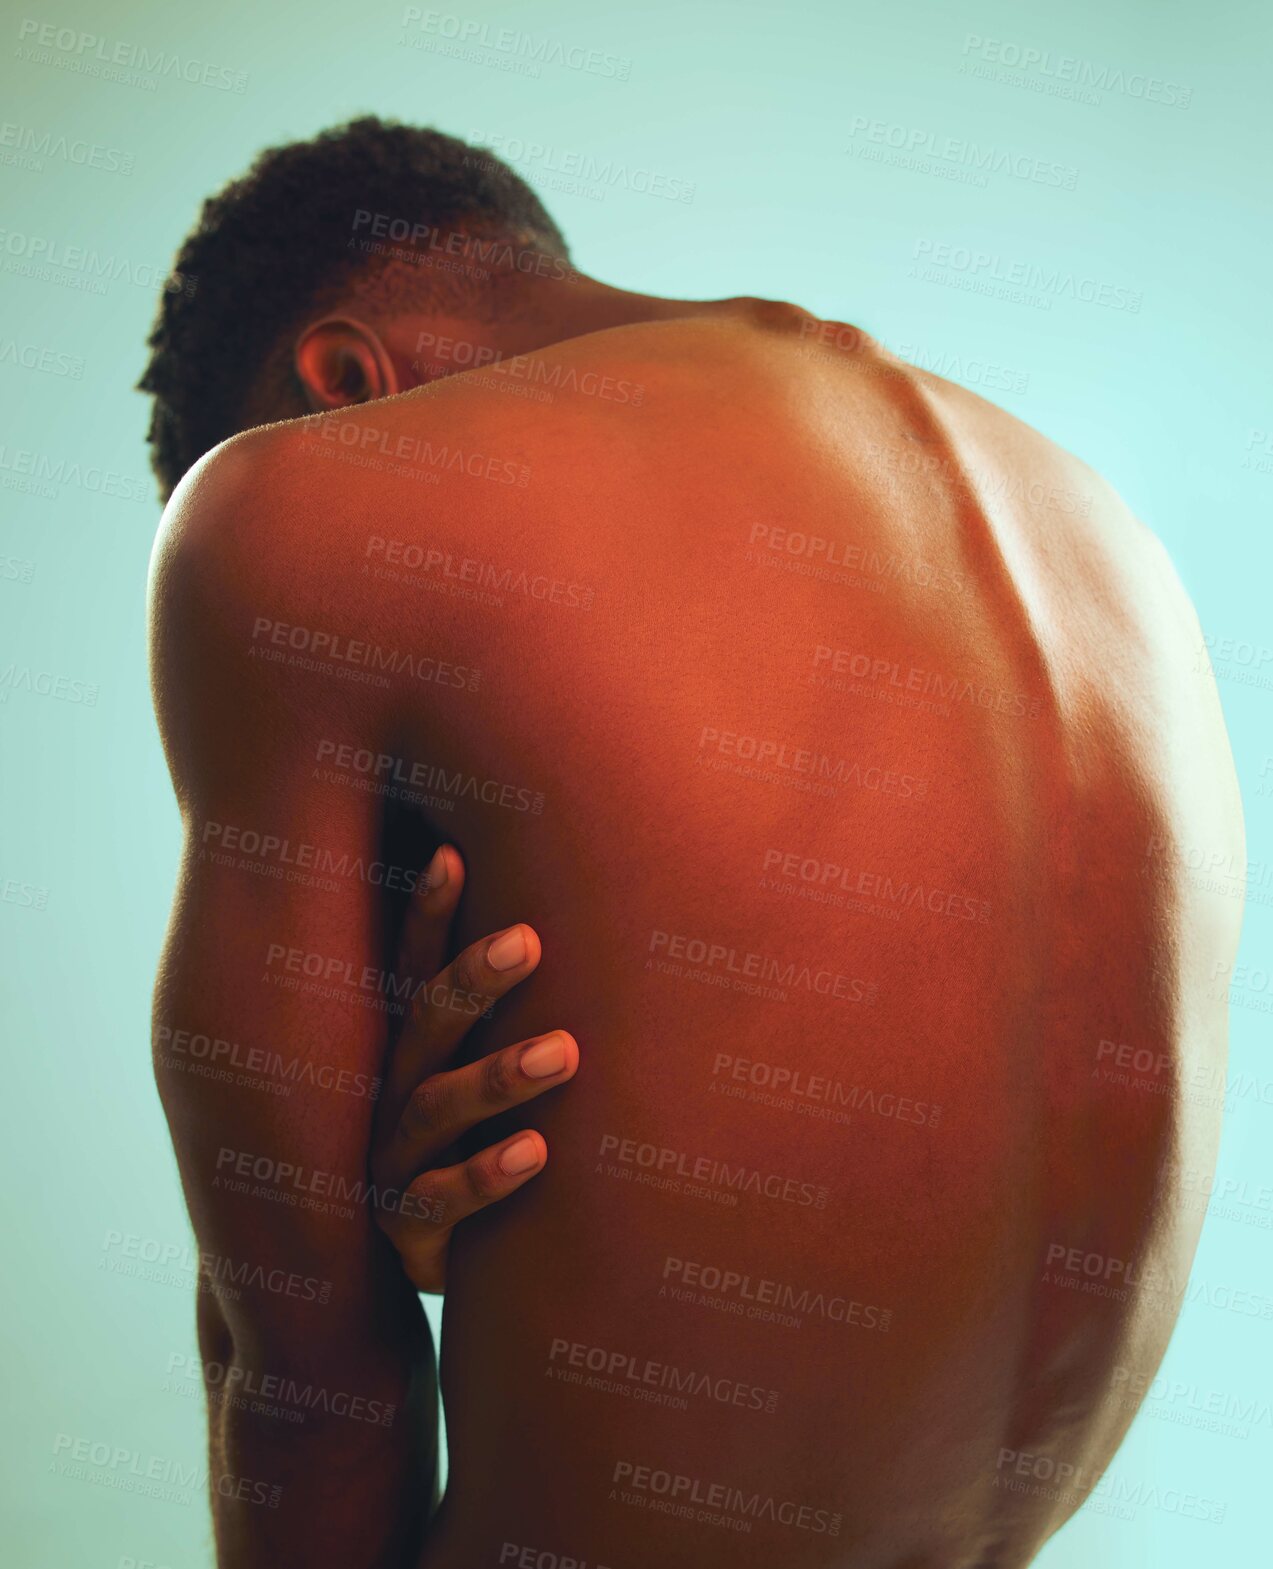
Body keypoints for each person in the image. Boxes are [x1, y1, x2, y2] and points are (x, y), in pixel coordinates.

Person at [142, 117, 1244, 1568]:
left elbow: (298, 1388)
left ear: (342, 383)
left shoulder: (291, 499)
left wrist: (339, 1204)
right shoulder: (1108, 547)